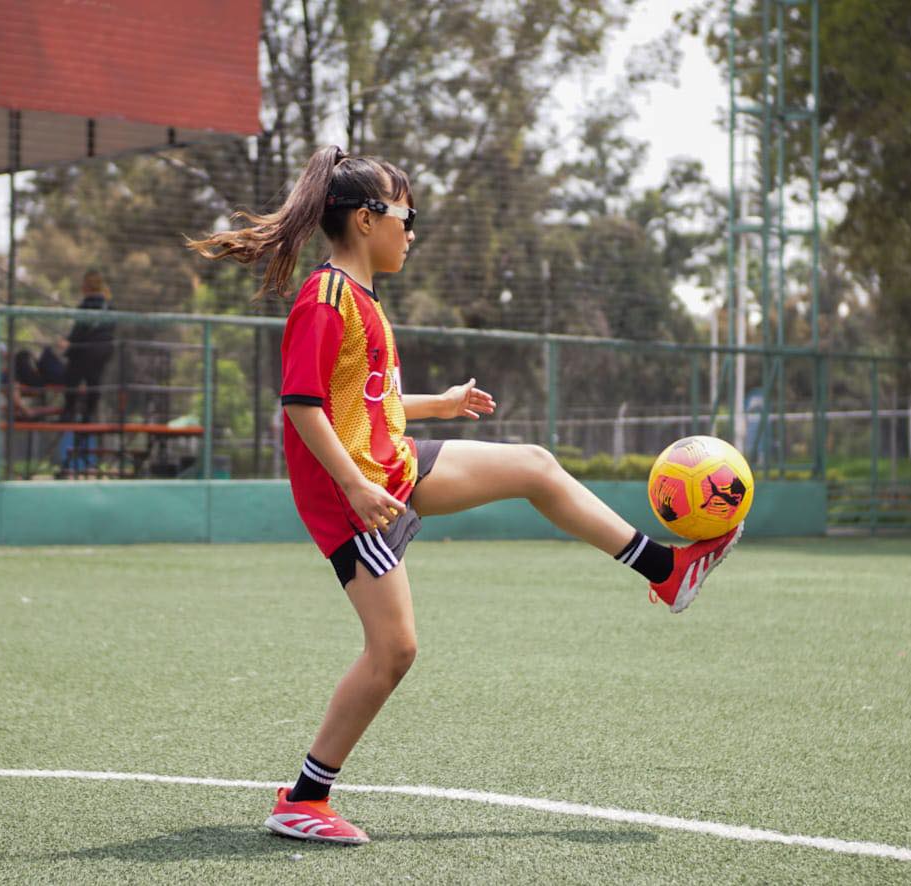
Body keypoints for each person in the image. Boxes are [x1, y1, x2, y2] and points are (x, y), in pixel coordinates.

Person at [187, 146, 742, 846]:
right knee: (393, 651)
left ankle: (664, 570)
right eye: (405, 214)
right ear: (365, 220)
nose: (411, 229)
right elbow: (301, 406)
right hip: (353, 493)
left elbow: (364, 401)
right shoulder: (325, 298)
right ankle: (302, 799)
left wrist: (437, 404)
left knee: (534, 465)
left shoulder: (359, 299)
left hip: (391, 466)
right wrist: (355, 485)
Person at [60, 270, 116, 423]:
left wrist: (69, 343)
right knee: (94, 381)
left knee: (72, 377)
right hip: (103, 349)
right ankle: (89, 414)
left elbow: (79, 331)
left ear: (86, 286)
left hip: (86, 349)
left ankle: (69, 412)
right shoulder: (108, 306)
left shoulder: (87, 305)